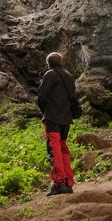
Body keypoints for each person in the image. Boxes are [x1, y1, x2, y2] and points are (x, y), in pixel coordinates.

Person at [37, 51, 77, 196]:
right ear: (60, 62)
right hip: (66, 119)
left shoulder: (50, 75)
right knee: (63, 148)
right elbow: (73, 96)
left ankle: (59, 183)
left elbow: (41, 97)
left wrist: (46, 112)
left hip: (53, 119)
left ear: (49, 63)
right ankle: (68, 182)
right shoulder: (68, 76)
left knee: (54, 150)